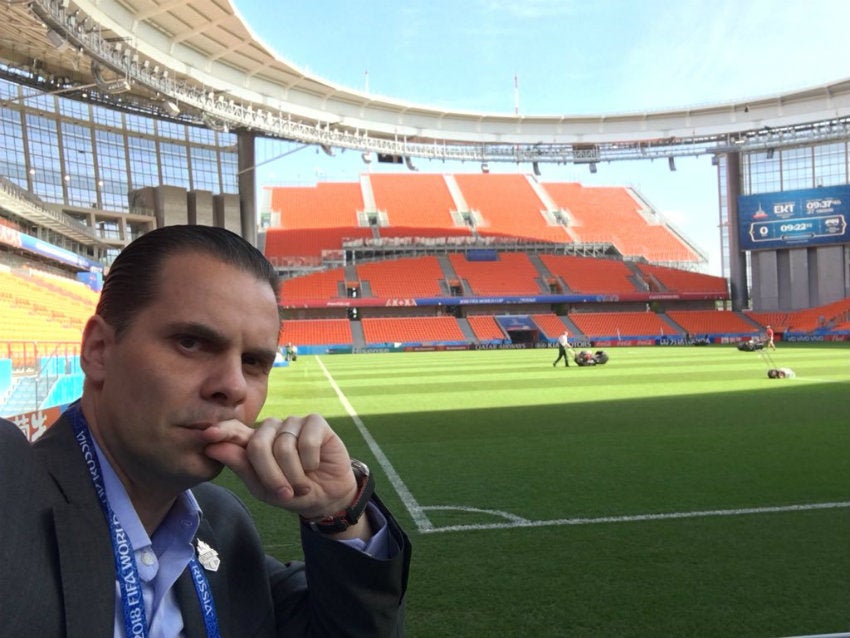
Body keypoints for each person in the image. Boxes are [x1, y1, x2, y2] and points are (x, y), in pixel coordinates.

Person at [0, 225, 410, 638]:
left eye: (253, 362)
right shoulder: (12, 492)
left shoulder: (225, 527)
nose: (232, 387)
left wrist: (339, 510)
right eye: (191, 343)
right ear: (99, 351)